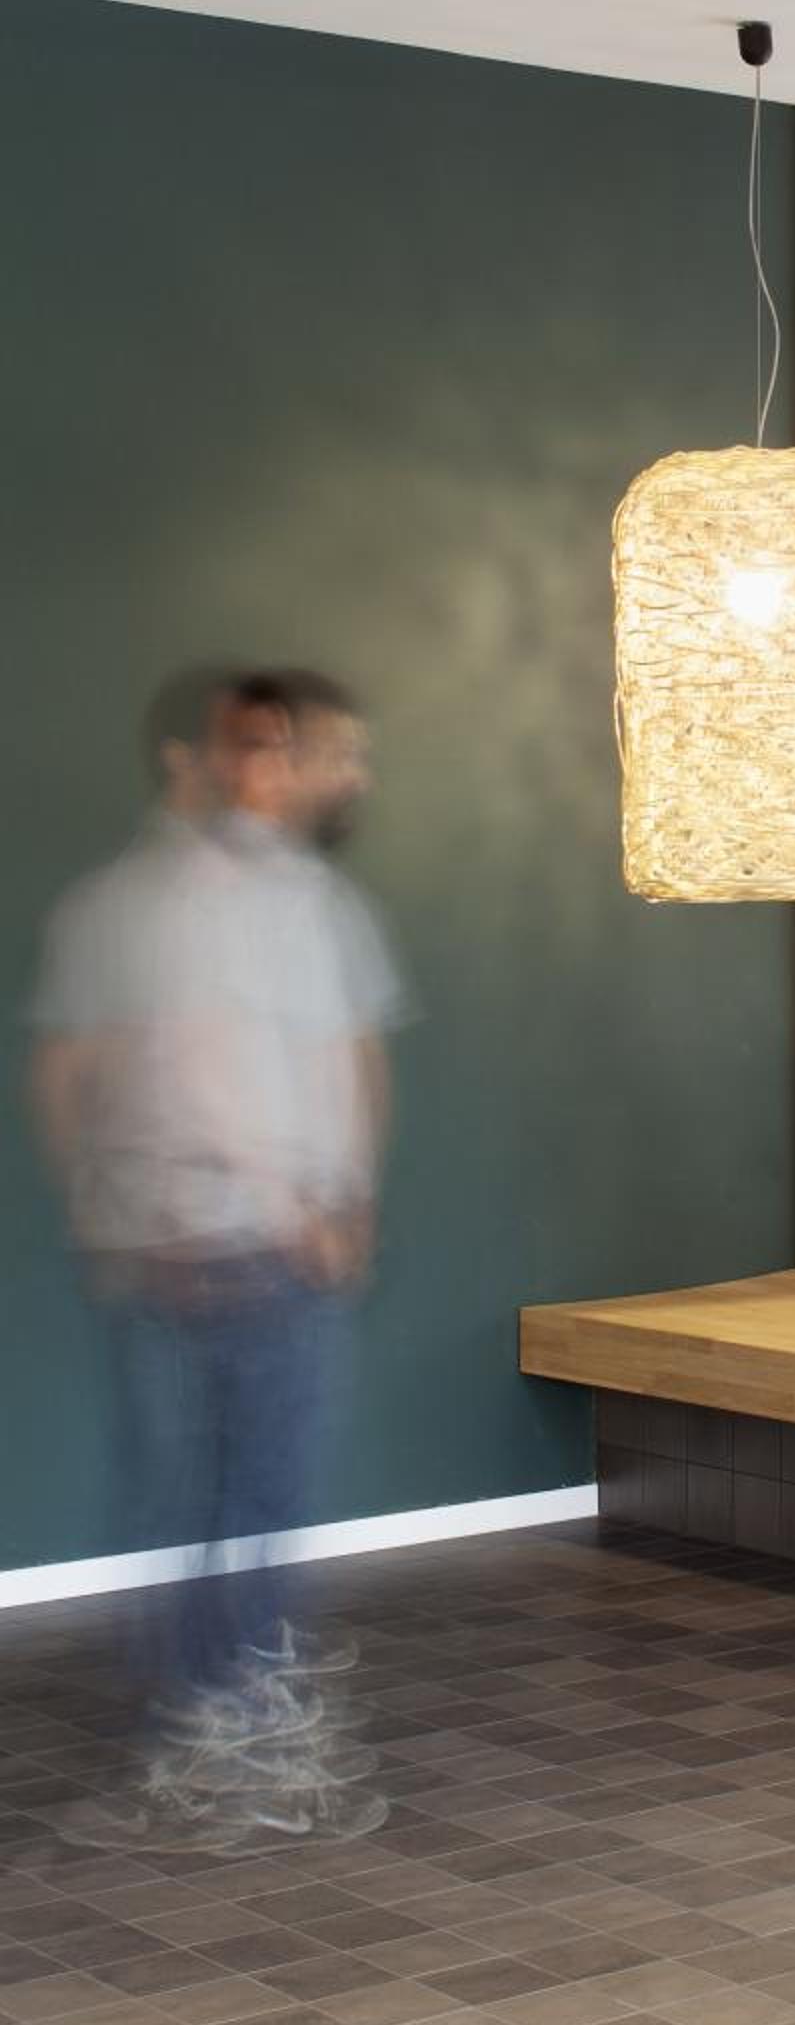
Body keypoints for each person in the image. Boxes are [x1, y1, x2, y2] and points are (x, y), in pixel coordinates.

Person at [28, 666, 408, 1850]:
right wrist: (303, 1209)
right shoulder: (202, 900)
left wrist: (103, 1209)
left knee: (206, 1499)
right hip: (241, 1246)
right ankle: (229, 1734)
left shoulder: (287, 900)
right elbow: (188, 1067)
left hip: (207, 1241)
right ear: (215, 759)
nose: (341, 772)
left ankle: (229, 1712)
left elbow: (345, 1055)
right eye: (316, 749)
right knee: (240, 1498)